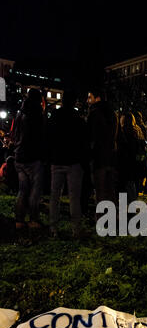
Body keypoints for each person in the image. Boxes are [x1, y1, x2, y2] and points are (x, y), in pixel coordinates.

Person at [47, 89, 87, 238]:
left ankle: (53, 228)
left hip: (57, 160)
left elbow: (48, 136)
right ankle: (76, 229)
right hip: (74, 161)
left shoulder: (55, 116)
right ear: (74, 102)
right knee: (74, 197)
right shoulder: (78, 118)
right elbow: (84, 140)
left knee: (54, 196)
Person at [12, 88, 45, 230]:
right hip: (33, 157)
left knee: (23, 189)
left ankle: (19, 219)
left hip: (19, 156)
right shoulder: (37, 114)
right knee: (35, 191)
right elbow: (41, 136)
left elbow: (15, 134)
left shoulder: (20, 113)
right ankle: (33, 219)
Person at [87, 88, 118, 216]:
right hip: (111, 157)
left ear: (97, 98)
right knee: (111, 190)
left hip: (99, 158)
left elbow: (90, 137)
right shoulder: (113, 114)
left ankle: (101, 219)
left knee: (100, 191)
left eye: (90, 97)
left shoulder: (94, 113)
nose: (88, 100)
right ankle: (114, 217)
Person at [116, 111, 145, 203]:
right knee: (133, 182)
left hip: (125, 161)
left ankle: (128, 204)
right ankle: (133, 201)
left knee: (126, 183)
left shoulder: (123, 131)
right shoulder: (137, 130)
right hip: (136, 161)